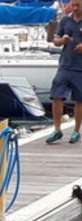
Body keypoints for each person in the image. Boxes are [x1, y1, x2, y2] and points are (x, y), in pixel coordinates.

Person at [47, 0, 82, 142]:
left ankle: (76, 131)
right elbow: (55, 40)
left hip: (80, 69)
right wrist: (63, 41)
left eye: (77, 5)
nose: (74, 8)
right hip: (65, 66)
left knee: (79, 100)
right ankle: (57, 129)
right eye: (72, 5)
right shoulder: (65, 20)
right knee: (56, 96)